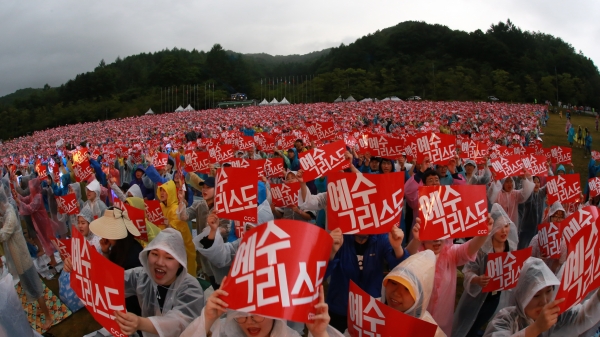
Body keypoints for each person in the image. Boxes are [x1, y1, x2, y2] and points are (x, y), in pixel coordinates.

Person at [66, 228, 205, 337]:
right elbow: (109, 281)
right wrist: (80, 267)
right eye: (155, 254)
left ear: (180, 263)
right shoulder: (142, 276)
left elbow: (179, 322)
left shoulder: (191, 289)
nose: (159, 262)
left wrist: (140, 322)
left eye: (169, 258)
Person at [483, 257, 600, 336]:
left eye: (549, 291)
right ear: (522, 296)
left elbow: (584, 316)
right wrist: (536, 328)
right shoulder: (506, 319)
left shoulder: (557, 316)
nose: (544, 301)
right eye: (536, 295)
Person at [452, 204, 519, 337]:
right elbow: (468, 271)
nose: (504, 231)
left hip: (494, 298)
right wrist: (477, 279)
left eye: (506, 226)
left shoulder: (510, 248)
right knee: (467, 325)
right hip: (476, 298)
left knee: (483, 321)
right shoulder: (482, 250)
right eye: (499, 227)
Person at [180, 281, 337, 337]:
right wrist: (207, 320)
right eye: (241, 315)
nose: (250, 322)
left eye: (256, 315)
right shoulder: (224, 332)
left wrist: (320, 334)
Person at [0, 187, 53, 330]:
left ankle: (48, 317)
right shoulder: (5, 212)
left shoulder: (9, 214)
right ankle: (43, 310)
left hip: (22, 258)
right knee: (28, 286)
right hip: (17, 258)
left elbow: (4, 234)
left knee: (35, 286)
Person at [381, 250, 445, 337]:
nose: (396, 293)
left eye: (407, 289)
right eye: (393, 283)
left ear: (420, 296)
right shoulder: (370, 310)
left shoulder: (429, 331)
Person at [14, 177, 59, 266]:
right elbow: (26, 199)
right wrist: (18, 196)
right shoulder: (33, 195)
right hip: (39, 222)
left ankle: (54, 260)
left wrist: (19, 201)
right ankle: (52, 259)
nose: (30, 189)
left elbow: (30, 208)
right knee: (44, 240)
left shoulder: (38, 196)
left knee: (48, 240)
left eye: (31, 187)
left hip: (43, 221)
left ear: (35, 187)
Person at [157, 180, 197, 277]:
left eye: (165, 191)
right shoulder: (161, 206)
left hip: (180, 247)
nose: (162, 193)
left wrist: (168, 225)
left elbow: (179, 231)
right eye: (161, 190)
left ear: (170, 192)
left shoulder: (175, 208)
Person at [518, 176, 547, 250]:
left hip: (537, 229)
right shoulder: (528, 194)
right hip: (526, 229)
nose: (536, 184)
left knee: (534, 250)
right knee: (523, 250)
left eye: (538, 182)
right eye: (534, 182)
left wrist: (548, 170)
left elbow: (549, 184)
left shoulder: (541, 193)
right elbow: (526, 189)